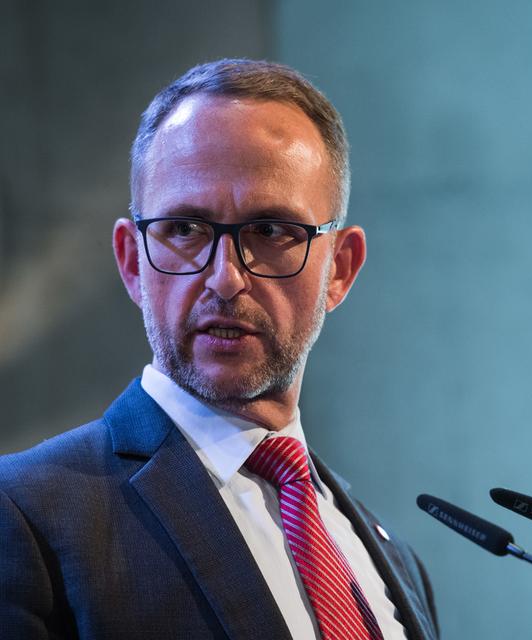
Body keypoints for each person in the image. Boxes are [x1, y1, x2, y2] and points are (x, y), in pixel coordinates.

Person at [0, 59, 438, 639]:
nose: (225, 278)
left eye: (272, 231)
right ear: (132, 262)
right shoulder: (24, 515)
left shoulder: (395, 562)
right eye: (184, 229)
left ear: (340, 268)